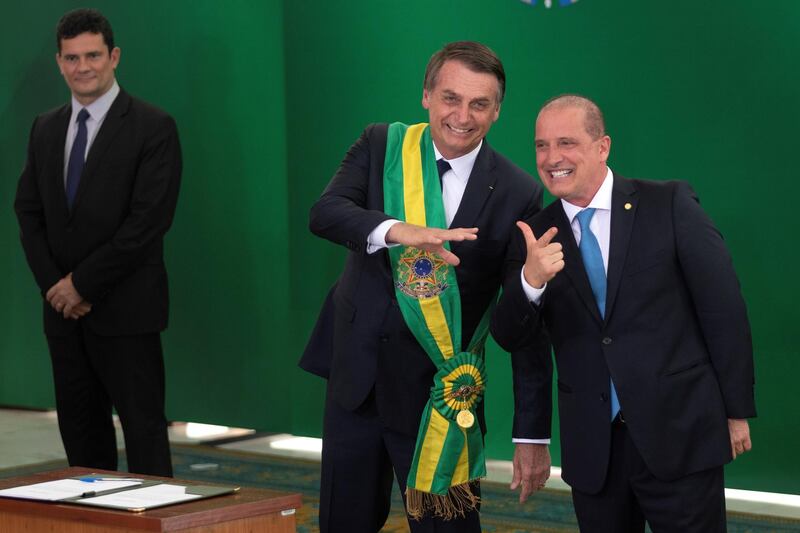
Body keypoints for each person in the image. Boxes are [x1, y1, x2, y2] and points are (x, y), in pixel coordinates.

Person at [300, 41, 545, 532]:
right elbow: (325, 214)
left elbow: (524, 324)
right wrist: (397, 230)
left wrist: (531, 434)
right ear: (426, 96)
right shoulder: (381, 145)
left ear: (497, 111)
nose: (463, 115)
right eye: (451, 98)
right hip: (359, 378)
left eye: (480, 104)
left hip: (441, 396)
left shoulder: (520, 191)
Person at [490, 94, 756, 532]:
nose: (552, 157)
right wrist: (530, 281)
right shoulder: (532, 233)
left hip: (681, 436)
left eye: (566, 143)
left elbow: (723, 309)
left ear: (602, 147)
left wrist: (735, 411)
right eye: (541, 145)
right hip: (595, 450)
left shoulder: (668, 204)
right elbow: (510, 336)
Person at [14, 8, 181, 477]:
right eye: (71, 58)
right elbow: (27, 212)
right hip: (64, 316)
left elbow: (148, 222)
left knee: (145, 436)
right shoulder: (45, 127)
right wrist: (56, 288)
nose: (82, 67)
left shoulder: (153, 126)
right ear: (59, 62)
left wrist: (81, 285)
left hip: (127, 311)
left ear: (114, 57)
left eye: (92, 55)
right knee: (81, 439)